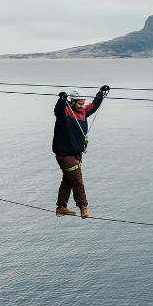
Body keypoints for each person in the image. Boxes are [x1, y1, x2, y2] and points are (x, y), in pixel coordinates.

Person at [53, 86, 109, 218]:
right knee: (78, 181)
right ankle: (83, 207)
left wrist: (100, 93)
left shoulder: (83, 112)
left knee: (67, 180)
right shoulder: (66, 112)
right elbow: (58, 112)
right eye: (79, 104)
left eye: (83, 104)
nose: (81, 106)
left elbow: (94, 106)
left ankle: (61, 207)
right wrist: (61, 100)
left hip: (75, 154)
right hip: (66, 155)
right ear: (72, 101)